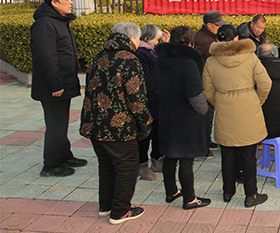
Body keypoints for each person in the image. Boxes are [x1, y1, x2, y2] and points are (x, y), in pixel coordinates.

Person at [79, 22, 152, 225]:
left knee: (107, 166)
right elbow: (136, 97)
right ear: (132, 39)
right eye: (138, 39)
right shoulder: (129, 60)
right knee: (127, 166)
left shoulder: (99, 56)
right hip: (118, 126)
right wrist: (146, 122)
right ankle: (120, 210)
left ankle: (106, 206)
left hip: (94, 123)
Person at [202, 24, 272, 207]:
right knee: (249, 156)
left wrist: (219, 103)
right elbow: (265, 83)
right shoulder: (250, 57)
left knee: (227, 155)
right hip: (248, 108)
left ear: (218, 39)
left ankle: (228, 191)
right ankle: (251, 195)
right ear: (236, 39)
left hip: (224, 109)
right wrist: (257, 101)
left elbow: (207, 91)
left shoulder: (211, 61)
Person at [31, 0, 87, 177]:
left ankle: (64, 156)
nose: (71, 2)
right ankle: (51, 165)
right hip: (54, 86)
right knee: (55, 125)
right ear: (54, 2)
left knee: (61, 124)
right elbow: (45, 58)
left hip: (63, 82)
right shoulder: (45, 24)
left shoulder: (60, 21)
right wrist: (55, 85)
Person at [155, 26, 211, 210]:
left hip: (167, 115)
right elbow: (196, 96)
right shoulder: (188, 64)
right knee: (186, 160)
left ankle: (171, 191)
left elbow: (156, 88)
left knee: (170, 156)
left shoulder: (161, 61)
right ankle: (190, 198)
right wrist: (204, 110)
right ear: (190, 43)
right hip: (186, 119)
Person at [135, 24, 169, 180]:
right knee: (145, 135)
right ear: (147, 38)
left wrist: (165, 44)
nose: (157, 42)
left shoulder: (152, 50)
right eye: (156, 39)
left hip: (158, 100)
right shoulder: (141, 53)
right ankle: (142, 165)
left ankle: (157, 160)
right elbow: (146, 79)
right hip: (148, 100)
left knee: (158, 133)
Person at [194, 10, 227, 156]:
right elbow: (196, 63)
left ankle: (207, 140)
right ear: (209, 25)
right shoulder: (200, 39)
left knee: (210, 114)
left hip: (212, 81)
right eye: (217, 25)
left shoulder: (212, 36)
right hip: (203, 82)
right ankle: (202, 146)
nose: (220, 27)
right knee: (204, 115)